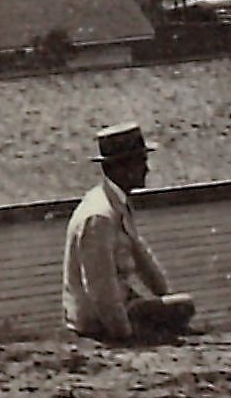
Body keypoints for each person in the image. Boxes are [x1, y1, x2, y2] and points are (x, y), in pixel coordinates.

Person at [63, 123, 196, 344]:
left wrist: (165, 295)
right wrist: (124, 334)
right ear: (121, 168)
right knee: (181, 308)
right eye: (141, 162)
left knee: (181, 306)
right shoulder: (99, 216)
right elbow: (100, 287)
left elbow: (142, 258)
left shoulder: (116, 204)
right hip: (97, 320)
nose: (147, 169)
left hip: (120, 305)